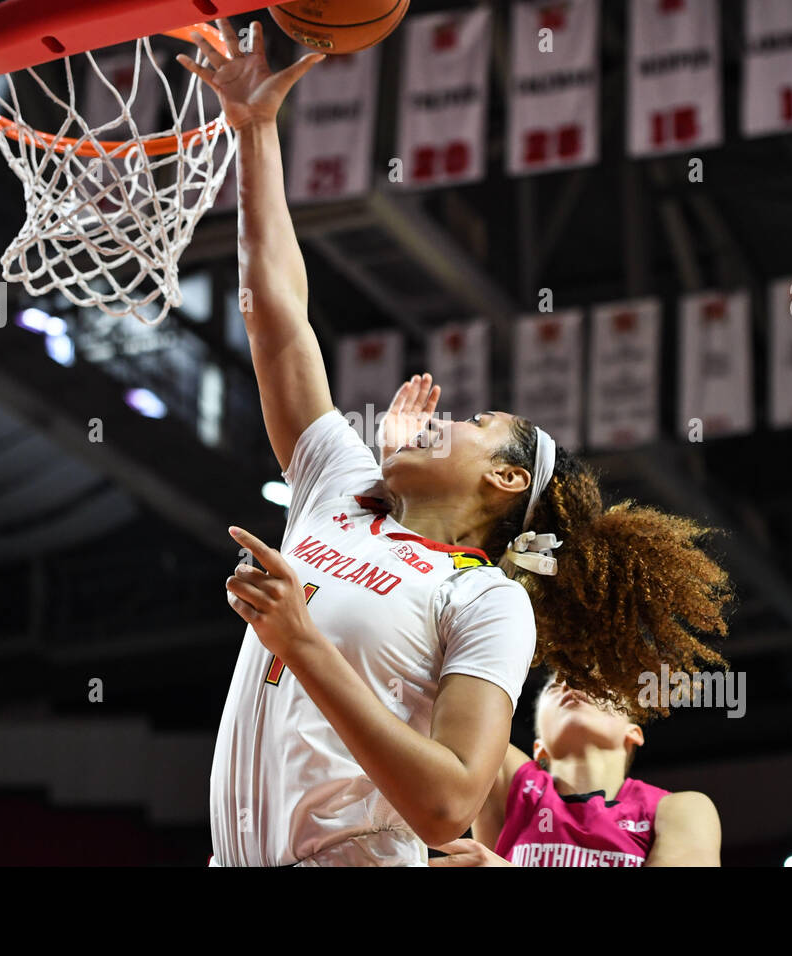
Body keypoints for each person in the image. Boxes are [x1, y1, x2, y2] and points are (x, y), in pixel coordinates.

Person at [179, 18, 733, 867]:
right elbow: (281, 321)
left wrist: (304, 646)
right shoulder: (341, 492)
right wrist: (254, 133)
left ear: (508, 478)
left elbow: (444, 806)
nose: (446, 416)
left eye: (473, 424)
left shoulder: (487, 602)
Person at [431, 675, 722, 866]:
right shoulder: (511, 781)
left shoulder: (682, 808)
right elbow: (449, 693)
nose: (569, 683)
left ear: (633, 732)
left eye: (596, 680)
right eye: (555, 683)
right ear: (539, 746)